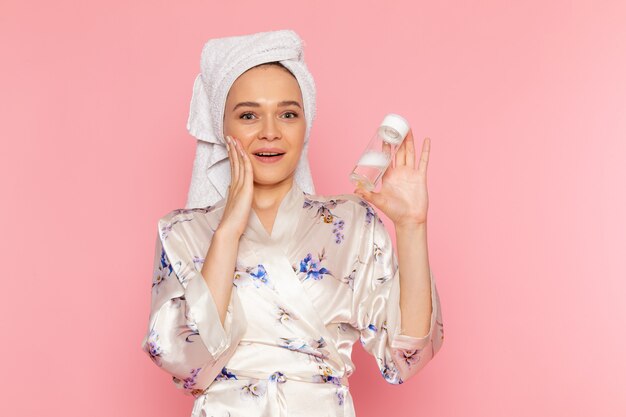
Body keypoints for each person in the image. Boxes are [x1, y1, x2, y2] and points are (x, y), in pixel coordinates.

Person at [141, 29, 444, 417]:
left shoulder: (350, 222)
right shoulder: (181, 232)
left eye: (288, 114)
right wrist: (229, 231)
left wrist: (412, 226)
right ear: (223, 128)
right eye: (249, 115)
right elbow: (184, 360)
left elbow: (406, 356)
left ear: (305, 125)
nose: (270, 131)